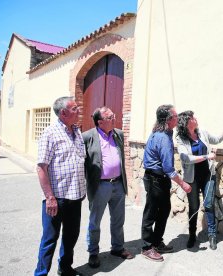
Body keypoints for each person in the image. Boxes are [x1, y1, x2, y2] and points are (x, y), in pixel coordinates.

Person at [35, 96, 86, 276]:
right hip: (57, 198)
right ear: (63, 113)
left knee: (71, 236)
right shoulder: (50, 133)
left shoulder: (77, 132)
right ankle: (40, 273)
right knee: (50, 239)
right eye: (74, 109)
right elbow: (42, 167)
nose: (78, 110)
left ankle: (65, 268)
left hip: (76, 197)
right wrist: (50, 197)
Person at [176, 110, 223, 250]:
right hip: (191, 178)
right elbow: (185, 158)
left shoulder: (202, 132)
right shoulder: (181, 139)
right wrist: (207, 157)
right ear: (187, 122)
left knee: (209, 204)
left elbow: (216, 140)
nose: (196, 118)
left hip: (208, 175)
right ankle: (192, 235)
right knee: (194, 207)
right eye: (193, 117)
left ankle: (212, 235)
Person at [82, 107, 133, 268]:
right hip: (100, 186)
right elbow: (82, 163)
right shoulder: (88, 137)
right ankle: (93, 252)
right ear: (100, 122)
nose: (114, 118)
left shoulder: (118, 134)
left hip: (118, 183)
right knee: (95, 222)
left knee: (118, 220)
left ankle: (117, 248)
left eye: (113, 115)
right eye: (110, 116)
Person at [141, 104, 192, 262]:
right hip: (155, 179)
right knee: (151, 213)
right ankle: (147, 247)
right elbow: (168, 168)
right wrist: (183, 184)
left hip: (158, 178)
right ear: (169, 120)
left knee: (163, 211)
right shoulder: (162, 137)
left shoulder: (165, 132)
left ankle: (157, 242)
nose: (178, 118)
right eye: (176, 116)